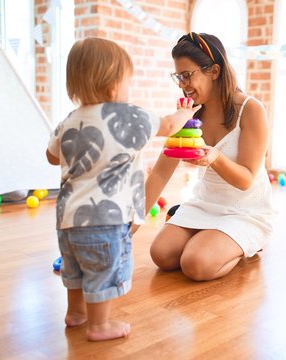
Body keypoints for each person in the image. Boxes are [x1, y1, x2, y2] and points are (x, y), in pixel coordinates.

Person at [45, 37, 200, 341]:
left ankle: (75, 313)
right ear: (114, 85)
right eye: (128, 82)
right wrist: (186, 113)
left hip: (67, 220)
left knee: (75, 269)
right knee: (104, 269)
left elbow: (51, 157)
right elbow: (169, 125)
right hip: (105, 217)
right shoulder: (127, 116)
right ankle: (99, 325)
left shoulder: (68, 122)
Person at [145, 32, 273, 281]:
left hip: (244, 210)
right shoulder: (190, 112)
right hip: (205, 203)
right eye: (178, 77)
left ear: (214, 71)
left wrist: (215, 158)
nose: (182, 85)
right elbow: (161, 172)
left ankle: (247, 244)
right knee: (161, 254)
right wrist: (132, 226)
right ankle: (209, 238)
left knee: (195, 264)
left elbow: (246, 179)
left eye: (187, 75)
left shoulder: (251, 110)